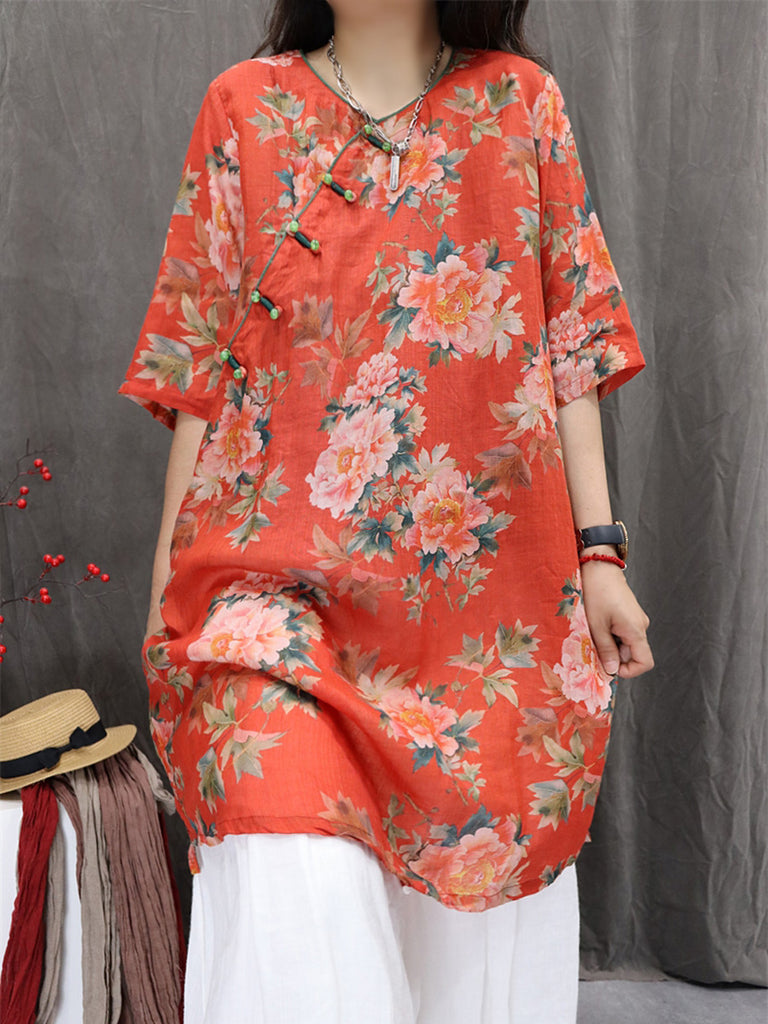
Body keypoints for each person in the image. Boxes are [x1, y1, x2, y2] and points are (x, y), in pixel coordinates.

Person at [120, 1, 654, 1020]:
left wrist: (600, 555)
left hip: (479, 613)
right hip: (266, 602)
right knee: (290, 879)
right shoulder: (243, 106)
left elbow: (572, 347)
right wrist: (163, 600)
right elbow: (199, 371)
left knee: (464, 955)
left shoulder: (520, 104)